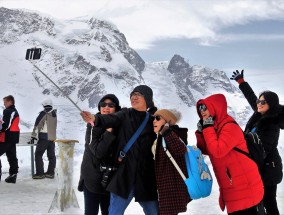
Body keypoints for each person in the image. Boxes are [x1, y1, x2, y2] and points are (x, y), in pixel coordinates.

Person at [81, 85, 158, 215]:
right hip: (123, 176)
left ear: (147, 98)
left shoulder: (153, 121)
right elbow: (111, 118)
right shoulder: (125, 114)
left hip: (145, 177)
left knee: (154, 212)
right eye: (132, 94)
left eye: (138, 94)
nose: (134, 97)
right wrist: (95, 119)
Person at [195, 93, 264, 215]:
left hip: (245, 187)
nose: (202, 111)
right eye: (200, 108)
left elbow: (217, 151)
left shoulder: (229, 127)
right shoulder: (214, 127)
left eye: (205, 107)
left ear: (215, 107)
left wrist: (207, 128)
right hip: (233, 187)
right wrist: (201, 132)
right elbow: (205, 150)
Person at [230, 70, 284, 215]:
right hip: (256, 166)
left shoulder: (271, 124)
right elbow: (251, 97)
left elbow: (263, 150)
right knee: (257, 203)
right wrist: (241, 82)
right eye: (259, 101)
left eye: (262, 102)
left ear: (270, 105)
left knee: (269, 202)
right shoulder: (259, 114)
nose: (258, 103)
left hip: (267, 169)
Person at [78, 94, 121, 215]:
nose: (106, 107)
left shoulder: (120, 125)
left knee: (108, 212)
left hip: (111, 179)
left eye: (111, 105)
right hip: (92, 178)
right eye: (103, 105)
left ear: (116, 109)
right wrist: (108, 132)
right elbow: (98, 152)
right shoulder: (92, 124)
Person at [151, 109, 191, 215]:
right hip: (166, 188)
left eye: (158, 118)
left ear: (168, 121)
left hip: (172, 189)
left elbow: (180, 150)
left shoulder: (173, 134)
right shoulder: (162, 136)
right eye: (153, 118)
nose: (154, 121)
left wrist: (167, 132)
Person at [29, 99, 57, 179]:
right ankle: (50, 173)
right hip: (52, 138)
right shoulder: (54, 113)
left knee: (38, 154)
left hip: (44, 137)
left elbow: (37, 126)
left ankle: (40, 174)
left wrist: (33, 137)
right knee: (51, 156)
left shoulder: (43, 113)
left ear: (44, 105)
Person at [0, 95, 20, 183]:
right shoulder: (15, 111)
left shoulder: (8, 111)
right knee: (12, 156)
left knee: (11, 156)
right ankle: (13, 175)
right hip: (14, 137)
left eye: (5, 101)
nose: (4, 103)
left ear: (10, 101)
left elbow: (5, 126)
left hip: (7, 137)